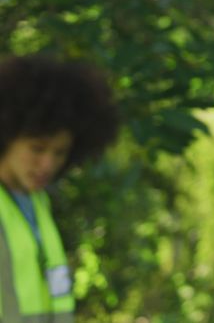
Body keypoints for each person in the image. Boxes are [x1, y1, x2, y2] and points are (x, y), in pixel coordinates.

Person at [0, 56, 119, 322]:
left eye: (60, 152)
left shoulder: (38, 203)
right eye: (37, 148)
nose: (48, 164)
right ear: (6, 136)